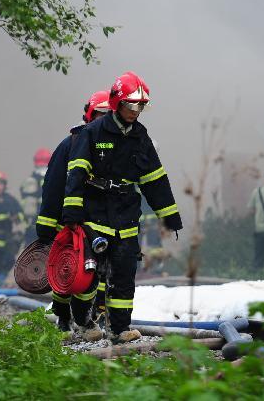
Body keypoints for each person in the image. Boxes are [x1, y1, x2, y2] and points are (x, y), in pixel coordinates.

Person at [62, 71, 183, 344]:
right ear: (117, 103)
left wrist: (170, 216)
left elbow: (155, 179)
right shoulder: (92, 133)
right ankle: (82, 320)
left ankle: (119, 329)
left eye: (140, 106)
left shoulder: (141, 136)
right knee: (88, 274)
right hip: (95, 213)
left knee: (125, 273)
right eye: (131, 105)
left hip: (127, 214)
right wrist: (72, 213)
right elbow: (76, 173)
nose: (135, 111)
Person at [35, 90, 110, 338]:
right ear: (90, 115)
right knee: (67, 271)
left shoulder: (112, 148)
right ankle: (67, 319)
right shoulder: (70, 144)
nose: (104, 120)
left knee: (93, 272)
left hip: (99, 223)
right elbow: (54, 185)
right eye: (100, 114)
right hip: (68, 223)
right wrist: (46, 226)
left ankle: (81, 317)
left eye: (109, 115)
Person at [19, 148, 51, 246]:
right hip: (49, 224)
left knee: (30, 252)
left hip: (31, 225)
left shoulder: (28, 181)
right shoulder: (53, 179)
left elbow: (23, 202)